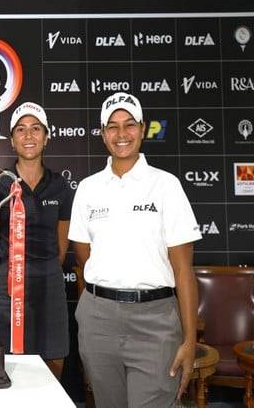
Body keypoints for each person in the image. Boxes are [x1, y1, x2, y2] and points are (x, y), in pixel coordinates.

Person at [69, 92, 201, 408]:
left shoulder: (166, 185)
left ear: (143, 129)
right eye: (112, 126)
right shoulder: (88, 189)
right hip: (98, 319)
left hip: (155, 321)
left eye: (129, 124)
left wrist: (190, 340)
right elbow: (84, 258)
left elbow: (183, 270)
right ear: (102, 134)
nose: (122, 134)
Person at [0, 102, 72, 379]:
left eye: (35, 129)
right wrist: (2, 278)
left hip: (50, 281)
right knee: (9, 367)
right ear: (11, 140)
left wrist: (46, 271)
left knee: (54, 359)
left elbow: (62, 240)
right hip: (8, 284)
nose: (28, 136)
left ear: (46, 137)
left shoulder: (60, 186)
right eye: (21, 130)